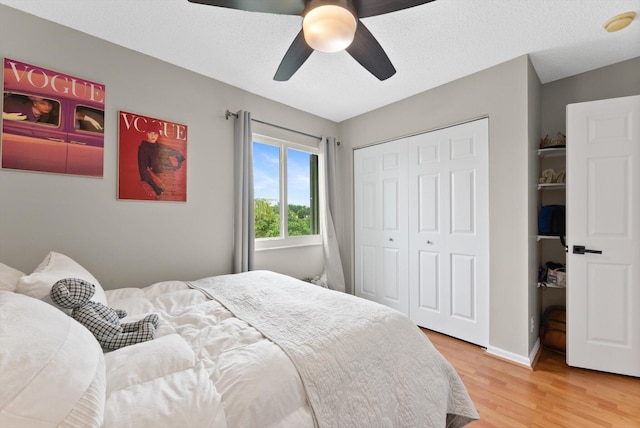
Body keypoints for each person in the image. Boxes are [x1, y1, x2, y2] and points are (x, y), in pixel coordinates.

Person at [137, 121, 185, 198]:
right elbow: (143, 170)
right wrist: (155, 187)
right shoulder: (143, 148)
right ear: (147, 133)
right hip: (158, 180)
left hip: (171, 180)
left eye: (155, 134)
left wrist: (177, 166)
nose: (153, 136)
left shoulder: (160, 146)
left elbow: (179, 155)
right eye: (151, 133)